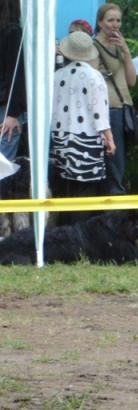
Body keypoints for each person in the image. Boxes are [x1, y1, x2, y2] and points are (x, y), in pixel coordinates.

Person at [50, 31, 115, 225]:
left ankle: (62, 227)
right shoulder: (94, 76)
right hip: (86, 138)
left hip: (61, 136)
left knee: (64, 186)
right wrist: (109, 137)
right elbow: (100, 112)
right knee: (84, 189)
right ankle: (80, 232)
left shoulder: (57, 75)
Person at [94, 3, 136, 195]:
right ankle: (113, 209)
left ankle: (116, 205)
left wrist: (126, 52)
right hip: (108, 110)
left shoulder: (120, 46)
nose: (115, 24)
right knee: (112, 164)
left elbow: (131, 80)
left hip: (123, 108)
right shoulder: (93, 47)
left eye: (118, 20)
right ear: (100, 22)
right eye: (110, 20)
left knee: (119, 163)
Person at [0, 0, 28, 236]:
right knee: (3, 169)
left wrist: (12, 113)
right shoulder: (11, 32)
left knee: (3, 168)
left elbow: (16, 75)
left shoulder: (12, 33)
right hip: (6, 107)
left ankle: (5, 227)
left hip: (6, 108)